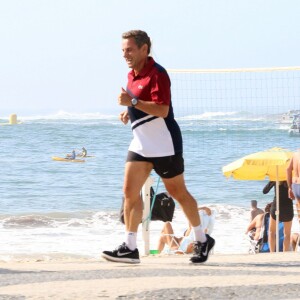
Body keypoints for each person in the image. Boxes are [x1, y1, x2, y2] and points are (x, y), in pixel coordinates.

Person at [101, 30, 215, 264]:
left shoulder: (158, 73)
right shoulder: (131, 74)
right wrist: (129, 112)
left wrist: (132, 102)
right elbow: (141, 104)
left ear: (145, 49)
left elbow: (162, 110)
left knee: (178, 193)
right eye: (123, 50)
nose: (125, 54)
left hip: (165, 144)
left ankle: (203, 239)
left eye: (130, 49)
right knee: (129, 193)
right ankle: (130, 247)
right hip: (141, 144)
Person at [263, 181, 294, 251]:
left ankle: (272, 253)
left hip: (276, 206)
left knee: (271, 232)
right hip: (288, 207)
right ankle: (285, 254)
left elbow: (265, 191)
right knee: (287, 234)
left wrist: (272, 181)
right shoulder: (291, 180)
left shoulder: (275, 179)